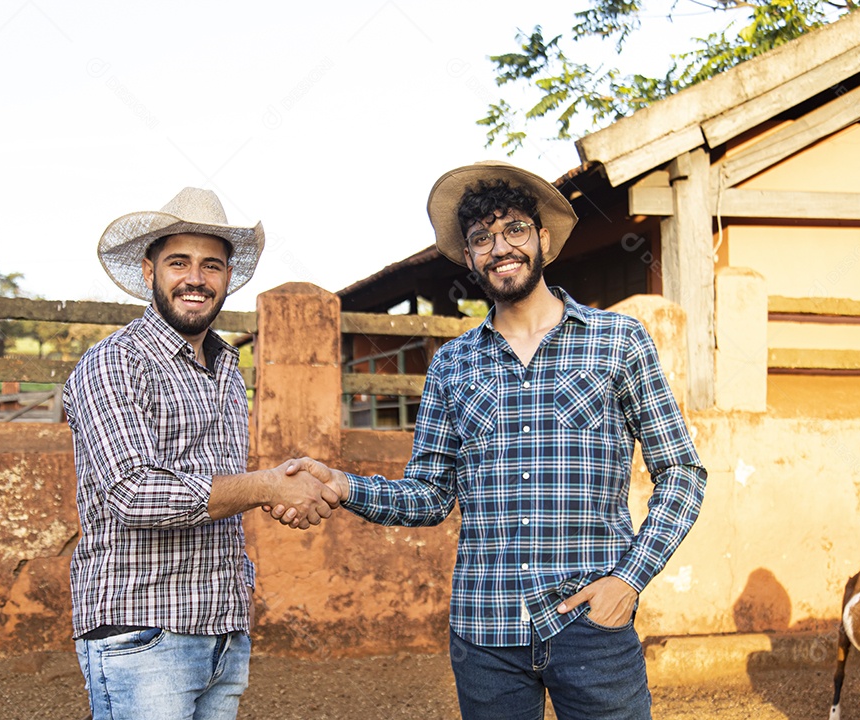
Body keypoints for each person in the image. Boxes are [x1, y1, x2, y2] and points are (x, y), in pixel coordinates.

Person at [279, 161, 707, 719]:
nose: (500, 247)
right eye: (482, 238)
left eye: (514, 230)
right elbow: (429, 496)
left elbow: (681, 472)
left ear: (543, 239)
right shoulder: (452, 365)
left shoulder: (617, 341)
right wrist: (342, 485)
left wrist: (627, 581)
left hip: (592, 627)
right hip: (486, 633)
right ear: (469, 257)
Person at [64, 187, 340, 720]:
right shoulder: (115, 363)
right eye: (179, 263)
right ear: (149, 271)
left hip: (222, 631)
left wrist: (275, 493)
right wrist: (268, 486)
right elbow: (135, 494)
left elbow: (222, 489)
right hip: (141, 631)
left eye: (211, 265)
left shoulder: (226, 370)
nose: (196, 278)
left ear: (228, 276)